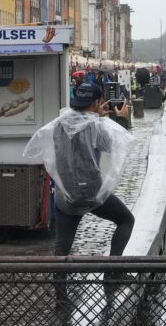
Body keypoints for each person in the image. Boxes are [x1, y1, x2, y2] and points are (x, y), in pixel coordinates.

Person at [24, 82, 134, 256]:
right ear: (97, 102)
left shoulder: (60, 123)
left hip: (66, 195)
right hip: (92, 193)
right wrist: (120, 119)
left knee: (62, 247)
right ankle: (112, 275)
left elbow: (79, 128)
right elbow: (114, 145)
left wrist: (96, 116)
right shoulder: (96, 125)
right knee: (126, 220)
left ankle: (60, 283)